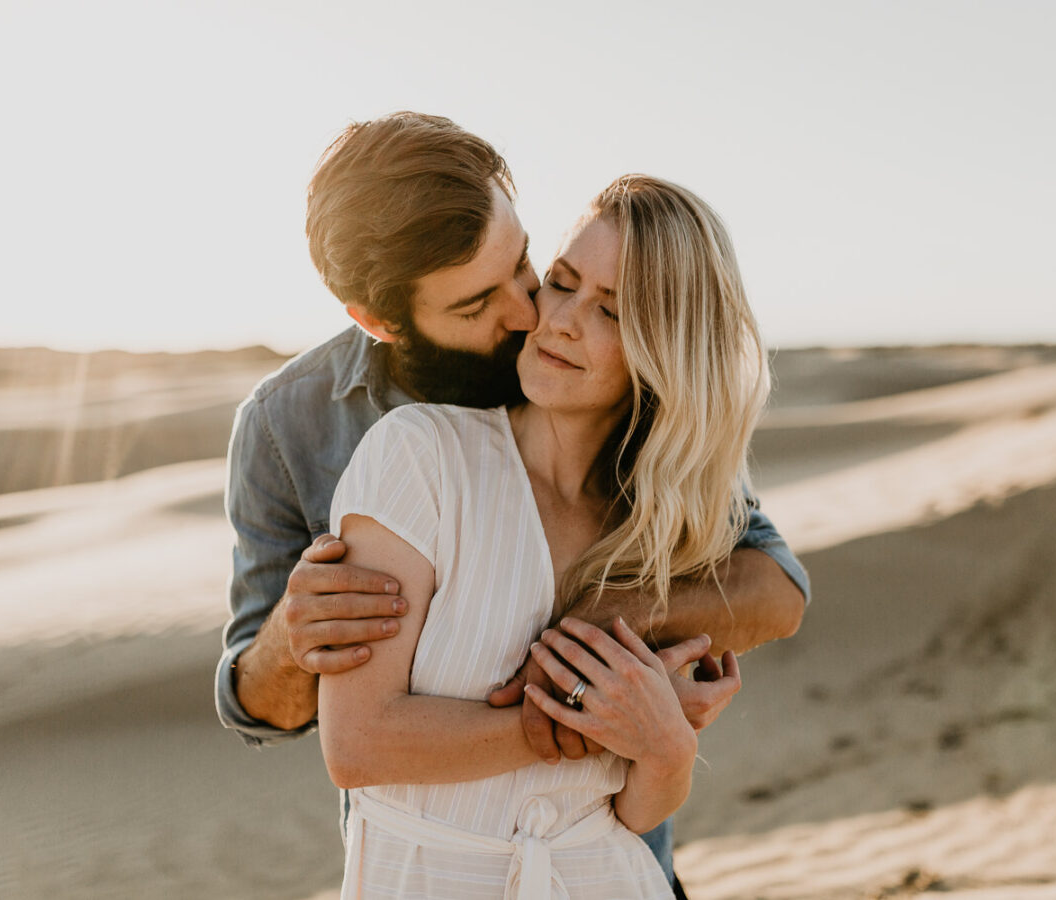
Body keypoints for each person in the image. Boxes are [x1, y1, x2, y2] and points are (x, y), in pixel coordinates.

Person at [215, 112, 810, 890]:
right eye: (475, 305)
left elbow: (772, 587)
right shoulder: (292, 426)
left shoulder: (625, 398)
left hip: (614, 859)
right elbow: (268, 707)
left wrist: (610, 634)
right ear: (379, 320)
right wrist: (296, 640)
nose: (535, 315)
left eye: (529, 266)